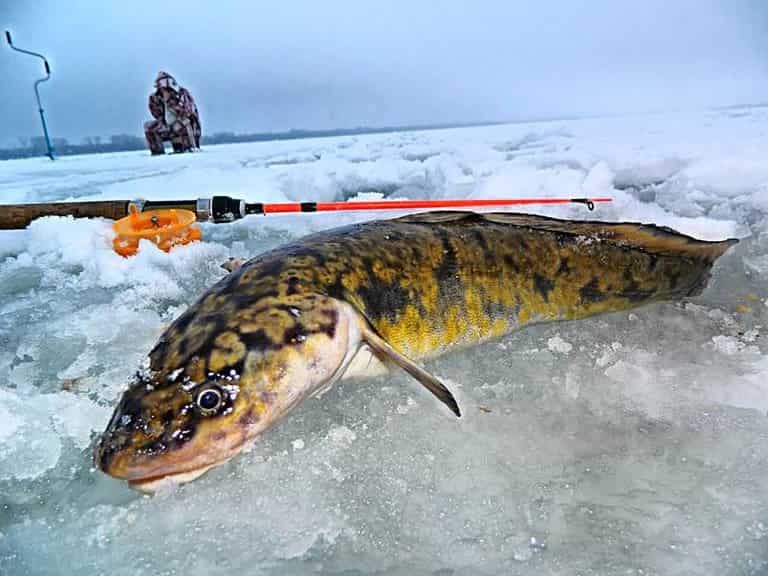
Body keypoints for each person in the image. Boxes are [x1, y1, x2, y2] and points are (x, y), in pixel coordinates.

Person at [143, 71, 201, 155]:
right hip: (168, 125)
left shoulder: (182, 93)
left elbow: (186, 112)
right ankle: (157, 152)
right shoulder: (155, 97)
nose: (162, 87)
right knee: (149, 126)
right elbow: (156, 115)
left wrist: (170, 101)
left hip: (187, 127)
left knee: (182, 123)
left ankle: (187, 147)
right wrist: (156, 102)